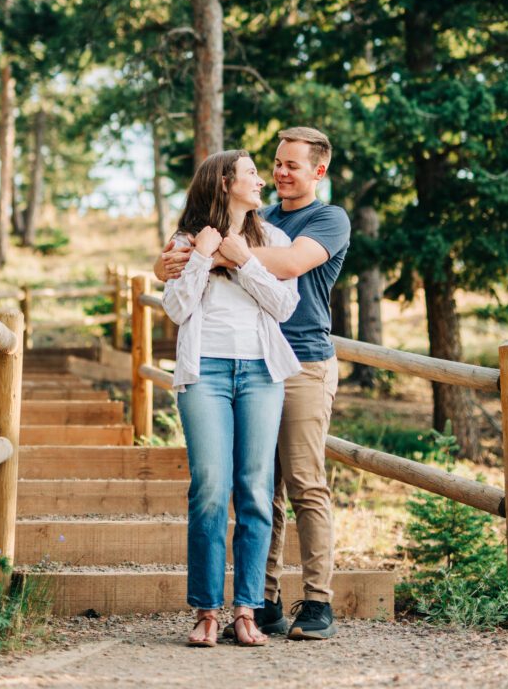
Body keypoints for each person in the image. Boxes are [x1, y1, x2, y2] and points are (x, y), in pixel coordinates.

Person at [157, 127, 350, 641]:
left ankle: (315, 601)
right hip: (216, 370)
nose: (276, 174)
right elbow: (175, 301)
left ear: (318, 171)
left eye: (290, 165)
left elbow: (288, 271)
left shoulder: (320, 221)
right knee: (237, 489)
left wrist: (225, 252)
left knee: (295, 484)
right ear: (226, 183)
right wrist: (187, 254)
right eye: (272, 165)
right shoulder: (262, 219)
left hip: (298, 363)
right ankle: (258, 601)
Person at [161, 149, 301, 648]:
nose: (262, 180)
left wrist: (244, 262)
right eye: (251, 173)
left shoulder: (274, 240)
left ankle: (247, 610)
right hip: (205, 375)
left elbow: (285, 306)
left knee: (257, 491)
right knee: (210, 489)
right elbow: (177, 309)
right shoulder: (184, 241)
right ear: (224, 182)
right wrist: (202, 254)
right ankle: (205, 611)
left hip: (262, 374)